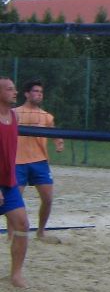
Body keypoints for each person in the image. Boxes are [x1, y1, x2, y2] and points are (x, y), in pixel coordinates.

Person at [14, 79, 65, 244]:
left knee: (48, 199)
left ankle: (41, 232)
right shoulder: (14, 113)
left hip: (40, 162)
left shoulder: (46, 116)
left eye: (41, 92)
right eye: (36, 91)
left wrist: (58, 142)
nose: (39, 94)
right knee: (14, 201)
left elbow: (53, 132)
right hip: (18, 162)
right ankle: (11, 234)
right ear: (27, 94)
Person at [0, 77, 32, 288]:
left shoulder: (14, 116)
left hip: (9, 183)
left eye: (15, 89)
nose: (15, 92)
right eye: (10, 89)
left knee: (22, 224)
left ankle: (16, 274)